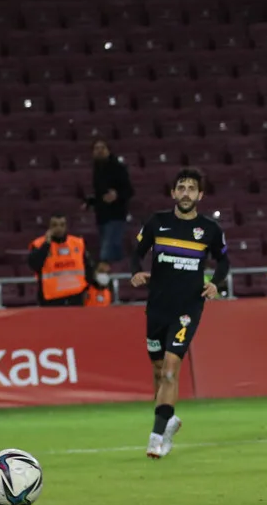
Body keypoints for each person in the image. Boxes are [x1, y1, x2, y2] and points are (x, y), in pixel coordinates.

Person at [130, 168, 230, 459]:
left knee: (170, 370)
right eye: (181, 188)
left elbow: (224, 261)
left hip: (188, 308)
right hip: (157, 306)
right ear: (173, 193)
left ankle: (156, 437)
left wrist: (215, 283)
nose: (186, 193)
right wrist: (136, 271)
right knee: (158, 371)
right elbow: (136, 252)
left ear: (200, 195)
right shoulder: (157, 222)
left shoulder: (209, 229)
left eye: (191, 188)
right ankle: (169, 420)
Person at [27, 214, 102, 307]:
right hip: (51, 300)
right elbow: (34, 265)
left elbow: (88, 268)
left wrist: (87, 289)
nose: (59, 228)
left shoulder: (77, 243)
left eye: (62, 225)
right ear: (49, 227)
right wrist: (46, 244)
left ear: (66, 226)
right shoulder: (39, 244)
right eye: (55, 225)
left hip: (76, 298)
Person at [86, 139, 133, 270]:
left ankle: (106, 273)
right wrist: (90, 202)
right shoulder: (97, 169)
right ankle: (120, 273)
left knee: (106, 252)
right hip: (102, 216)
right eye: (96, 148)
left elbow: (129, 190)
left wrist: (116, 195)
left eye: (102, 148)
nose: (99, 151)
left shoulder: (118, 167)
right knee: (115, 251)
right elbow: (100, 194)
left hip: (116, 215)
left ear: (108, 150)